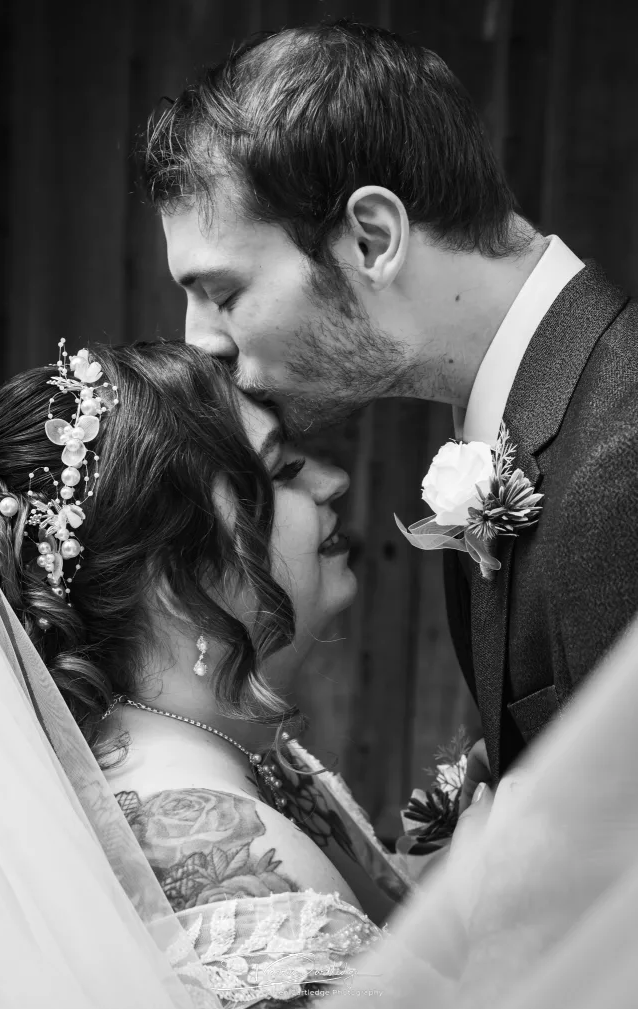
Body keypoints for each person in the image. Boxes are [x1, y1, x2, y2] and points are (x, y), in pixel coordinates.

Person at [143, 19, 638, 793]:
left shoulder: (621, 460)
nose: (198, 341)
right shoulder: (530, 420)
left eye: (224, 292)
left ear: (372, 239)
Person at [0, 338, 410, 1009]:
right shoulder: (231, 881)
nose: (332, 480)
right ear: (179, 579)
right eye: (283, 470)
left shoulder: (196, 757)